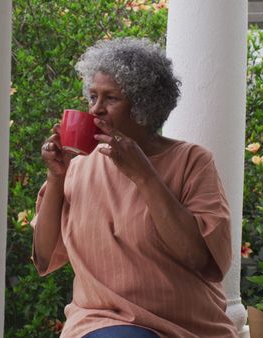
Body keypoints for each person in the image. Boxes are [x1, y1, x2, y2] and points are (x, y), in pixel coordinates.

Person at [31, 37, 237, 338]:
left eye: (110, 99)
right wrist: (56, 176)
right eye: (92, 97)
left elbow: (200, 259)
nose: (96, 110)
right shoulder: (78, 167)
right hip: (99, 318)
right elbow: (45, 256)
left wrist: (144, 176)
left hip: (185, 324)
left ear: (143, 106)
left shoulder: (191, 161)